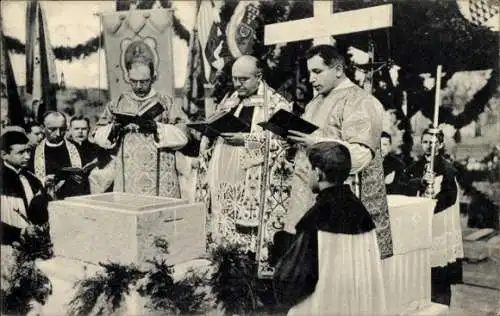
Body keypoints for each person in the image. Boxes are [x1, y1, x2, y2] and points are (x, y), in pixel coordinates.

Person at [285, 44, 393, 259]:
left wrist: (315, 143)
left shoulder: (361, 101)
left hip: (340, 205)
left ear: (338, 69)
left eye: (317, 72)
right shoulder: (314, 103)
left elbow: (361, 156)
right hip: (306, 200)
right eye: (309, 73)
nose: (311, 79)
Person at [196, 55, 294, 259]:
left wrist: (246, 140)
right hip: (223, 176)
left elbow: (283, 144)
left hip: (250, 177)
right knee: (222, 226)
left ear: (258, 76)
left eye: (243, 79)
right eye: (234, 79)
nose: (237, 84)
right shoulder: (230, 100)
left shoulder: (276, 104)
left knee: (243, 244)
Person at [275, 141, 386, 315]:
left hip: (321, 306)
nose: (307, 173)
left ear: (318, 173)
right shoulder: (360, 210)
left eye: (309, 168)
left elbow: (294, 282)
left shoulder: (315, 217)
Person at [93, 42, 189, 198]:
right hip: (128, 173)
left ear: (153, 78)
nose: (138, 86)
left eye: (143, 81)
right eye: (133, 81)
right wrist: (114, 129)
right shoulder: (118, 102)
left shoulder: (166, 102)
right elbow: (96, 132)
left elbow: (184, 134)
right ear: (128, 78)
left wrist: (158, 128)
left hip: (160, 175)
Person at [407, 127, 463, 306]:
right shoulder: (415, 166)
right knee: (421, 272)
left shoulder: (447, 169)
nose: (428, 146)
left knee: (439, 275)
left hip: (438, 223)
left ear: (440, 145)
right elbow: (404, 185)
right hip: (420, 223)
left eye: (432, 143)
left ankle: (441, 307)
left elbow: (450, 197)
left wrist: (429, 206)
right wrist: (419, 183)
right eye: (425, 142)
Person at [1, 130, 52, 257]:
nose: (27, 156)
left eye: (28, 151)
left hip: (32, 247)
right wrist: (19, 232)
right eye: (21, 153)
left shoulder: (32, 179)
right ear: (4, 154)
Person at [31, 111, 89, 199]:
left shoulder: (77, 149)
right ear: (43, 128)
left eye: (62, 129)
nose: (58, 134)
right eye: (53, 129)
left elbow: (84, 181)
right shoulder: (33, 152)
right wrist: (43, 182)